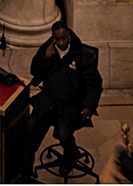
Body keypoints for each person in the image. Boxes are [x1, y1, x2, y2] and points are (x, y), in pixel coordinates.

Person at [25, 22, 102, 173]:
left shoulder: (82, 54)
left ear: (69, 35)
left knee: (64, 134)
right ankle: (23, 172)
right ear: (53, 38)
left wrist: (89, 106)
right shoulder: (48, 49)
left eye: (64, 38)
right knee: (31, 127)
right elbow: (35, 70)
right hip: (49, 101)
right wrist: (45, 58)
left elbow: (94, 84)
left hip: (72, 105)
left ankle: (71, 154)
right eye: (58, 39)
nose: (61, 43)